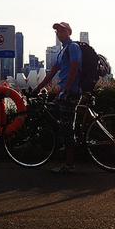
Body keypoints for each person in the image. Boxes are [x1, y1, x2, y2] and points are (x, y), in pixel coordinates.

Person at [31, 22, 82, 173]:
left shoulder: (73, 47)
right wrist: (38, 88)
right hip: (63, 92)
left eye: (61, 30)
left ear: (69, 32)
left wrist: (66, 89)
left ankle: (69, 164)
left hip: (70, 92)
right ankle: (61, 147)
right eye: (57, 31)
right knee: (56, 117)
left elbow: (74, 68)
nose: (59, 33)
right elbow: (51, 73)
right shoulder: (61, 52)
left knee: (67, 127)